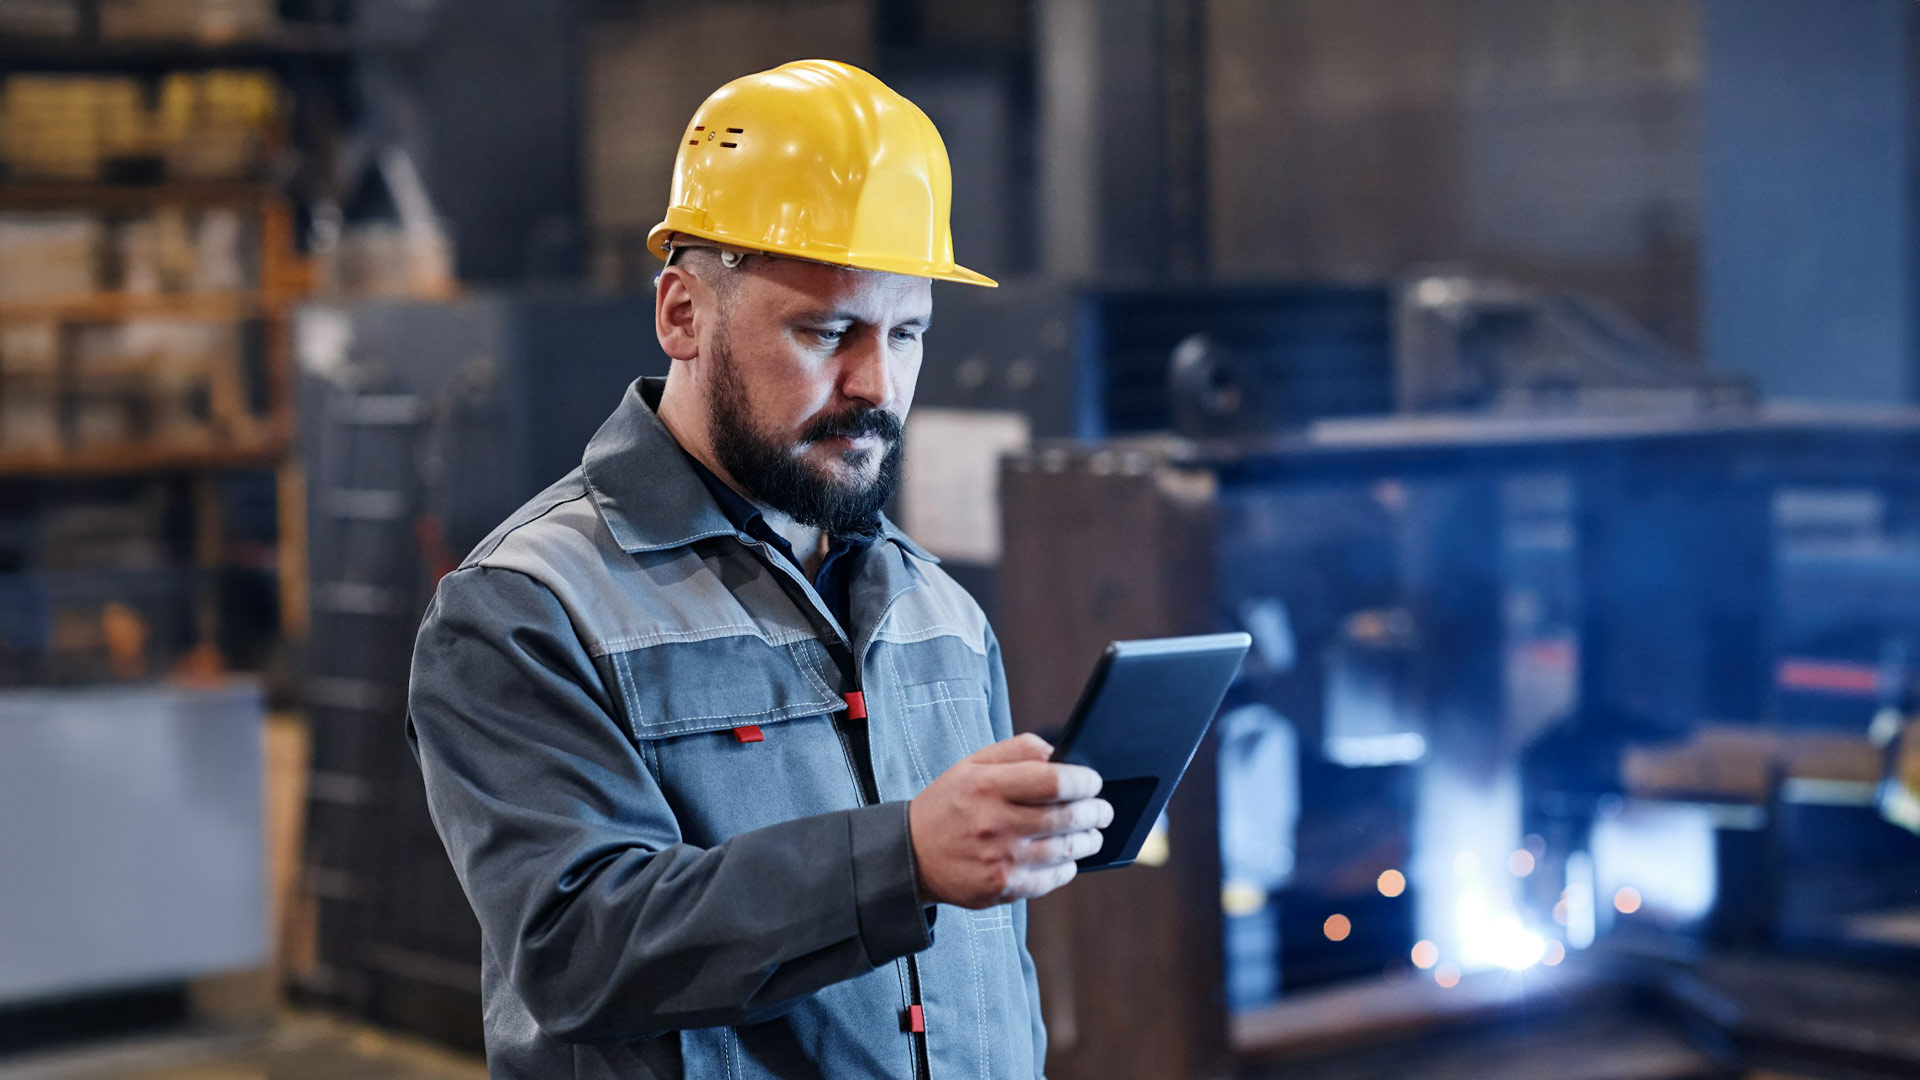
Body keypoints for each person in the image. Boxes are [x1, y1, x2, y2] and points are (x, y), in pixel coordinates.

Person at [406, 58, 1112, 1079]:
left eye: (907, 333)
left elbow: (989, 977)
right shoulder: (527, 610)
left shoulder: (938, 610)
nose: (877, 384)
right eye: (827, 331)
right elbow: (577, 950)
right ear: (683, 314)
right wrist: (901, 859)